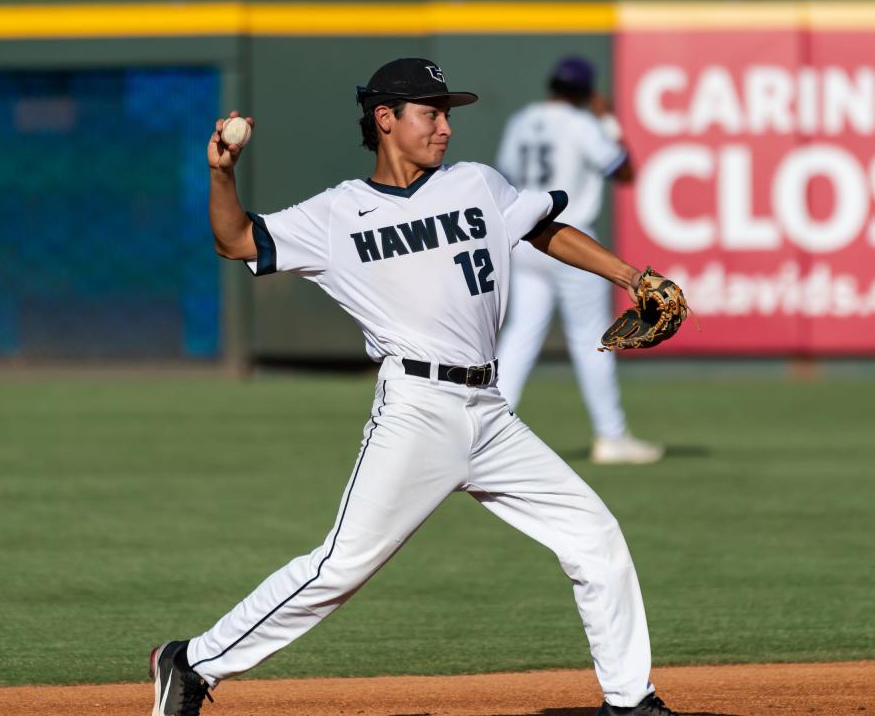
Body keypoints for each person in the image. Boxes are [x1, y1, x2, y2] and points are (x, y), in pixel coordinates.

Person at [150, 57, 680, 716]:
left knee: (594, 534)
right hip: (417, 411)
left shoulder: (477, 184)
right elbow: (234, 240)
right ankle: (193, 661)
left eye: (447, 113)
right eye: (431, 113)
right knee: (340, 567)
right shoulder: (339, 213)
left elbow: (543, 227)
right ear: (386, 120)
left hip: (490, 414)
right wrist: (221, 171)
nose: (445, 127)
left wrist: (631, 278)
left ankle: (630, 701)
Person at [494, 56, 663, 465]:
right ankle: (611, 436)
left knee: (520, 334)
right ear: (587, 93)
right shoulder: (584, 124)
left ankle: (489, 427)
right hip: (573, 243)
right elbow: (624, 172)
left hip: (526, 237)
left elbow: (500, 179)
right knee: (591, 340)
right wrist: (608, 122)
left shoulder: (521, 121)